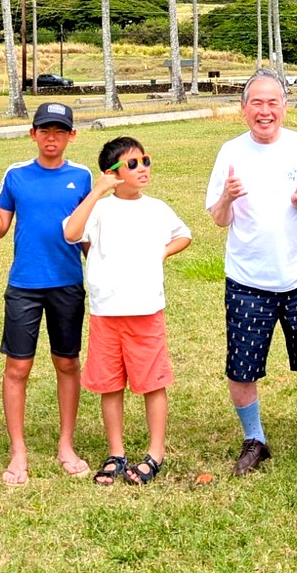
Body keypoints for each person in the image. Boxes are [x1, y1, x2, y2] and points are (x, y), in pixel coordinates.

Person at [204, 70, 297, 475]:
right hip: (248, 279)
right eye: (257, 103)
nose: (265, 111)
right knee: (242, 364)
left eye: (273, 103)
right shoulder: (231, 152)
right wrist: (227, 198)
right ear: (243, 108)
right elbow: (217, 218)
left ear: (284, 106)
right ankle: (255, 438)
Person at [0, 101, 93, 484]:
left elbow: (89, 236)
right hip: (24, 286)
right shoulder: (17, 175)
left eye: (59, 131)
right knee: (17, 367)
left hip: (68, 284)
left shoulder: (84, 177)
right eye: (44, 130)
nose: (51, 138)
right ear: (32, 133)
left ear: (71, 135)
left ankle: (66, 445)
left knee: (67, 363)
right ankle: (18, 450)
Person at [61, 135, 191, 486]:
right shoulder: (100, 209)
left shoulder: (157, 208)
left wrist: (162, 253)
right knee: (110, 384)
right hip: (106, 312)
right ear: (112, 173)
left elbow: (184, 235)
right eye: (132, 164)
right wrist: (97, 191)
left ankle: (155, 452)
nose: (142, 168)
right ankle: (116, 452)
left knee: (152, 382)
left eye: (145, 160)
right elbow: (72, 233)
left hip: (147, 309)